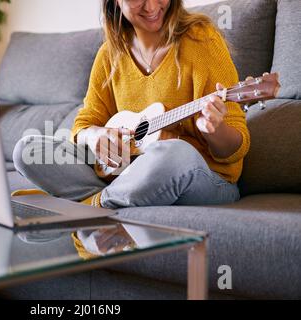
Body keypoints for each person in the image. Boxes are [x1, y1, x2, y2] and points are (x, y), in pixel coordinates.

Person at [13, 0, 250, 209]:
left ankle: (92, 204)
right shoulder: (109, 54)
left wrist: (215, 131)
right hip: (124, 173)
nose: (152, 6)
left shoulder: (201, 38)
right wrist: (95, 135)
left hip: (203, 178)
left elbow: (234, 150)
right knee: (28, 150)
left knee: (174, 152)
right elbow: (83, 124)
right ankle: (119, 197)